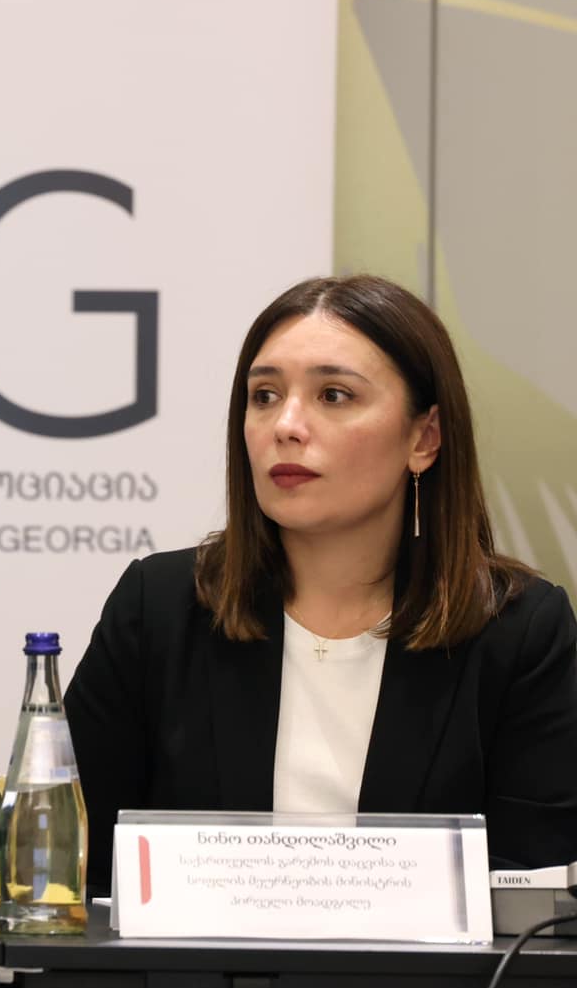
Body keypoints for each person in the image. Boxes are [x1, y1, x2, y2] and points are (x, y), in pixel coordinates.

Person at [66, 274, 577, 893]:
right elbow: (70, 867)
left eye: (333, 395)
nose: (286, 425)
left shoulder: (518, 632)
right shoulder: (160, 608)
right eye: (264, 395)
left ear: (424, 438)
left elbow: (536, 901)